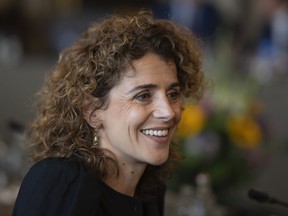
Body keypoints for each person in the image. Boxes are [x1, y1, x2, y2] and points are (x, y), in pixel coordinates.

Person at [12, 10, 205, 216]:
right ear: (93, 111)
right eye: (143, 96)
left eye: (173, 94)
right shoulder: (62, 181)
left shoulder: (149, 191)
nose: (168, 111)